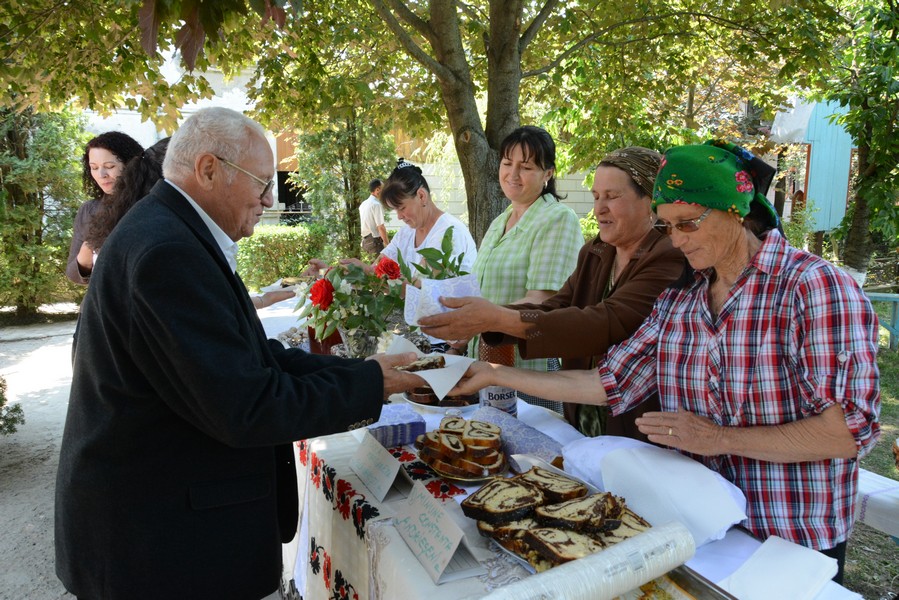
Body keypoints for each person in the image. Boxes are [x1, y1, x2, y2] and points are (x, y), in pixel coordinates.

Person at [451, 140, 881, 582]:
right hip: (698, 533)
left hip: (788, 539)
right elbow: (609, 382)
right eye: (667, 225)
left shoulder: (814, 288)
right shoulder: (683, 299)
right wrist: (495, 372)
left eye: (687, 224)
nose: (675, 240)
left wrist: (720, 438)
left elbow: (851, 429)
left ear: (734, 211)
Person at [55, 107, 421, 600]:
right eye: (262, 184)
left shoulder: (171, 229)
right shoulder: (167, 250)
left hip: (162, 527)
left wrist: (363, 371)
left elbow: (253, 357)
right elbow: (247, 404)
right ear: (208, 170)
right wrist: (374, 383)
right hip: (159, 546)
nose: (270, 200)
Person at [420, 147, 684, 437]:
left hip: (637, 430)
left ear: (651, 201)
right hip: (582, 420)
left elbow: (605, 322)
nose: (598, 209)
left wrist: (495, 319)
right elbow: (559, 306)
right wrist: (489, 319)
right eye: (596, 197)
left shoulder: (669, 255)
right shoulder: (597, 251)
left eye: (612, 196)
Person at [459, 126, 582, 412]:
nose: (512, 175)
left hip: (531, 367)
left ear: (548, 173)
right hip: (488, 360)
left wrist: (479, 320)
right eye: (507, 163)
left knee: (529, 451)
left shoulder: (557, 219)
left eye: (525, 167)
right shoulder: (501, 220)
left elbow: (542, 301)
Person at [307, 159, 477, 351]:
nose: (399, 216)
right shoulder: (408, 232)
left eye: (402, 207)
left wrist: (368, 275)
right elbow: (376, 269)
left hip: (448, 342)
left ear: (421, 196)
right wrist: (330, 272)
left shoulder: (449, 233)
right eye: (395, 210)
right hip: (421, 335)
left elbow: (416, 289)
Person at [65, 131, 144, 284]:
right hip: (100, 305)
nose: (101, 174)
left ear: (131, 165)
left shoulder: (149, 206)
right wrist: (89, 247)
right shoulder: (89, 210)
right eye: (94, 167)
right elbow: (74, 275)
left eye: (109, 166)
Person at [360, 178, 389, 254]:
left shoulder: (363, 204)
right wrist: (388, 245)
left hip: (365, 242)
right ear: (377, 190)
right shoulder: (376, 205)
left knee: (371, 266)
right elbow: (380, 227)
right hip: (375, 242)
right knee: (380, 265)